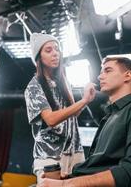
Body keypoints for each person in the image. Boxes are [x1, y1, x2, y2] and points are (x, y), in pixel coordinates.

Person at [38, 56, 131, 187]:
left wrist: (65, 184)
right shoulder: (108, 118)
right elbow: (95, 169)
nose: (100, 77)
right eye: (101, 72)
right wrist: (66, 178)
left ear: (127, 76)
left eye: (108, 70)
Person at [24, 33, 96, 183]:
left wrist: (86, 100)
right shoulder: (34, 86)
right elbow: (50, 119)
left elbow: (73, 114)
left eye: (56, 49)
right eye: (48, 50)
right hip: (49, 156)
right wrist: (83, 100)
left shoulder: (64, 82)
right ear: (39, 57)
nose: (55, 53)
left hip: (74, 154)